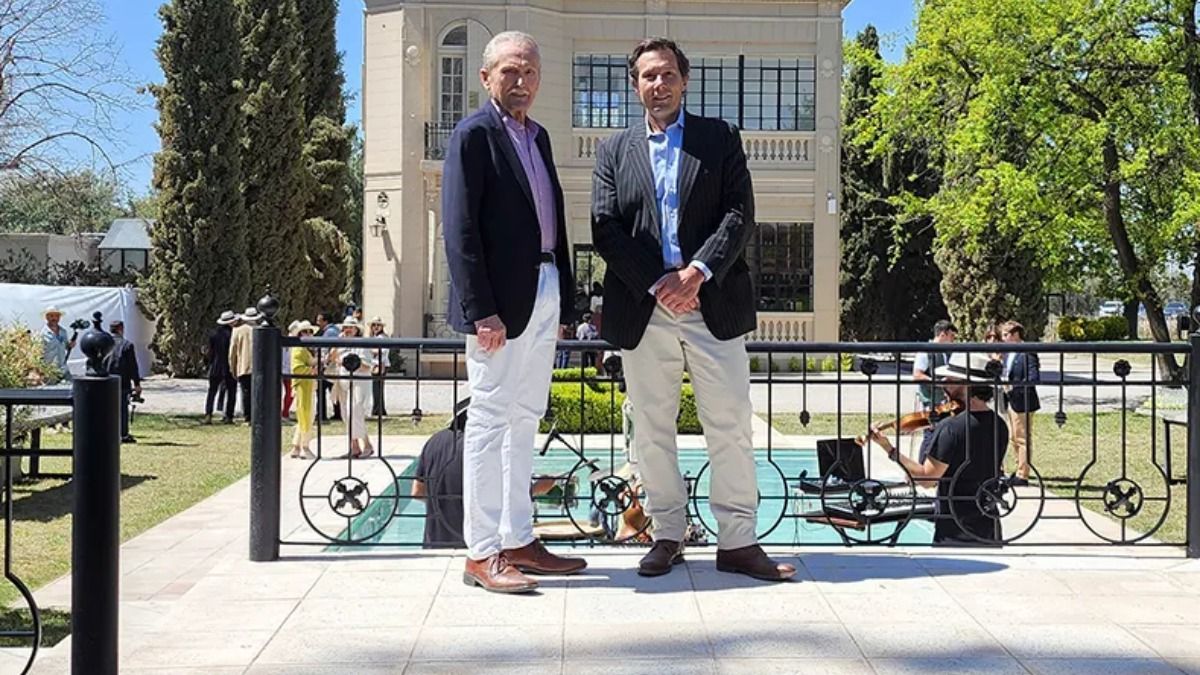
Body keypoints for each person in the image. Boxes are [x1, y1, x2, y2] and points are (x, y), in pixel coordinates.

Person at [590, 37, 792, 581]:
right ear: (635, 86)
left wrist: (696, 273)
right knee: (652, 429)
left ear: (685, 79)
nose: (658, 85)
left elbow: (739, 213)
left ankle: (738, 543)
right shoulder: (613, 151)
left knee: (729, 424)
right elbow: (604, 227)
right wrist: (660, 282)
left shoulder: (719, 138)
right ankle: (668, 535)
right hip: (644, 307)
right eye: (647, 77)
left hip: (713, 303)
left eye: (667, 75)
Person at [442, 30, 586, 593]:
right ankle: (481, 553)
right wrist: (482, 310)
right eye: (509, 71)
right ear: (486, 78)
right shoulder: (473, 135)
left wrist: (565, 297)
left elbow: (552, 217)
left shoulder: (540, 136)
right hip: (498, 308)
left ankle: (519, 538)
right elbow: (459, 230)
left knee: (526, 415)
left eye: (528, 71)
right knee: (489, 421)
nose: (520, 81)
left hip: (544, 287)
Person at [864, 352, 1009, 545]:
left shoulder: (951, 428)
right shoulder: (999, 424)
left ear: (965, 383)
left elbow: (926, 479)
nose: (943, 384)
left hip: (955, 526)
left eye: (948, 380)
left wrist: (889, 448)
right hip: (989, 521)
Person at [328, 317, 375, 458]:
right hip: (343, 382)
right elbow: (331, 357)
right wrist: (337, 345)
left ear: (356, 330)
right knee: (346, 414)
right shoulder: (341, 344)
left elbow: (368, 366)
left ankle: (367, 444)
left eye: (350, 327)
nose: (347, 330)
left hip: (359, 382)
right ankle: (354, 446)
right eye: (345, 327)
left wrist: (350, 363)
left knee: (355, 412)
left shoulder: (362, 345)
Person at [1000, 320, 1040, 486]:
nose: (1003, 338)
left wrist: (1015, 390)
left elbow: (1033, 378)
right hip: (1010, 400)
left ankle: (1023, 475)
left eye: (1006, 335)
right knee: (1013, 438)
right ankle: (1017, 469)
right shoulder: (1009, 353)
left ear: (1016, 334)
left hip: (1022, 401)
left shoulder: (1027, 352)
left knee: (1022, 438)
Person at [103, 319, 142, 444]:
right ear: (121, 329)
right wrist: (136, 384)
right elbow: (132, 366)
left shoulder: (103, 344)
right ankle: (123, 434)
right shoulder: (127, 345)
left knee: (106, 408)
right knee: (122, 409)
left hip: (106, 381)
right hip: (122, 381)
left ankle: (107, 432)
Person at [913, 320, 957, 412]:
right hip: (928, 402)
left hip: (944, 403)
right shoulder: (925, 351)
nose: (953, 340)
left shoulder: (948, 353)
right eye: (951, 336)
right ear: (942, 335)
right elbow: (917, 375)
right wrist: (935, 381)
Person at [289, 321, 317, 459]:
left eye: (310, 332)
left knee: (306, 416)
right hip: (303, 386)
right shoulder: (299, 349)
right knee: (306, 415)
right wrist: (312, 369)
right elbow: (297, 368)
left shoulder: (304, 349)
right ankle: (304, 447)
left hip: (307, 385)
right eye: (305, 332)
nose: (309, 334)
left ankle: (296, 446)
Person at [205, 310, 238, 424]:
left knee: (212, 391)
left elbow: (210, 352)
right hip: (229, 366)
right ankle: (229, 416)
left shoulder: (213, 334)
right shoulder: (233, 334)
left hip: (215, 365)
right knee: (231, 391)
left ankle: (208, 414)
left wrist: (209, 364)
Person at [229, 307, 260, 423]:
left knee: (246, 393)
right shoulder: (261, 330)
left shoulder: (238, 330)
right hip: (259, 368)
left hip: (243, 366)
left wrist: (233, 368)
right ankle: (258, 415)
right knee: (258, 393)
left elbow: (232, 352)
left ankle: (248, 417)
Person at [315, 311, 341, 422]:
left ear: (325, 321)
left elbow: (326, 348)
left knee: (321, 390)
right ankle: (338, 413)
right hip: (334, 364)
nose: (317, 323)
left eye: (319, 320)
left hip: (329, 365)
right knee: (334, 390)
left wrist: (323, 363)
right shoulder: (335, 330)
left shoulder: (329, 333)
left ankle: (321, 414)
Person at [40, 306, 75, 383]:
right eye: (51, 316)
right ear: (46, 317)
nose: (54, 318)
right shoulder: (42, 334)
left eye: (56, 316)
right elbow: (39, 353)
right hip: (49, 370)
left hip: (63, 367)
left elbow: (66, 346)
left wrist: (70, 344)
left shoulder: (63, 332)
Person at [368, 317, 390, 418]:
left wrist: (371, 350)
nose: (376, 327)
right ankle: (378, 409)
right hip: (374, 364)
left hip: (379, 364)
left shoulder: (383, 338)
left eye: (378, 325)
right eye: (374, 325)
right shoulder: (374, 338)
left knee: (378, 389)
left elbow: (383, 352)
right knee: (375, 389)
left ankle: (378, 410)